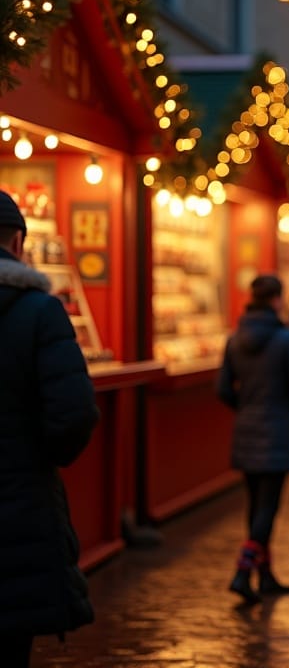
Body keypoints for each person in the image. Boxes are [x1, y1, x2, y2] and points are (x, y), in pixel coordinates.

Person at [0, 190, 98, 666]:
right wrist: (40, 456)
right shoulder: (39, 312)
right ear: (18, 243)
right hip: (18, 501)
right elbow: (74, 413)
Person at [217, 274, 289, 604]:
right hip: (278, 429)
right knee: (268, 508)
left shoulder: (234, 338)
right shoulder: (286, 339)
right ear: (276, 299)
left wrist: (244, 406)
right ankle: (243, 572)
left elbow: (222, 388)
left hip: (246, 427)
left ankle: (266, 575)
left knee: (255, 504)